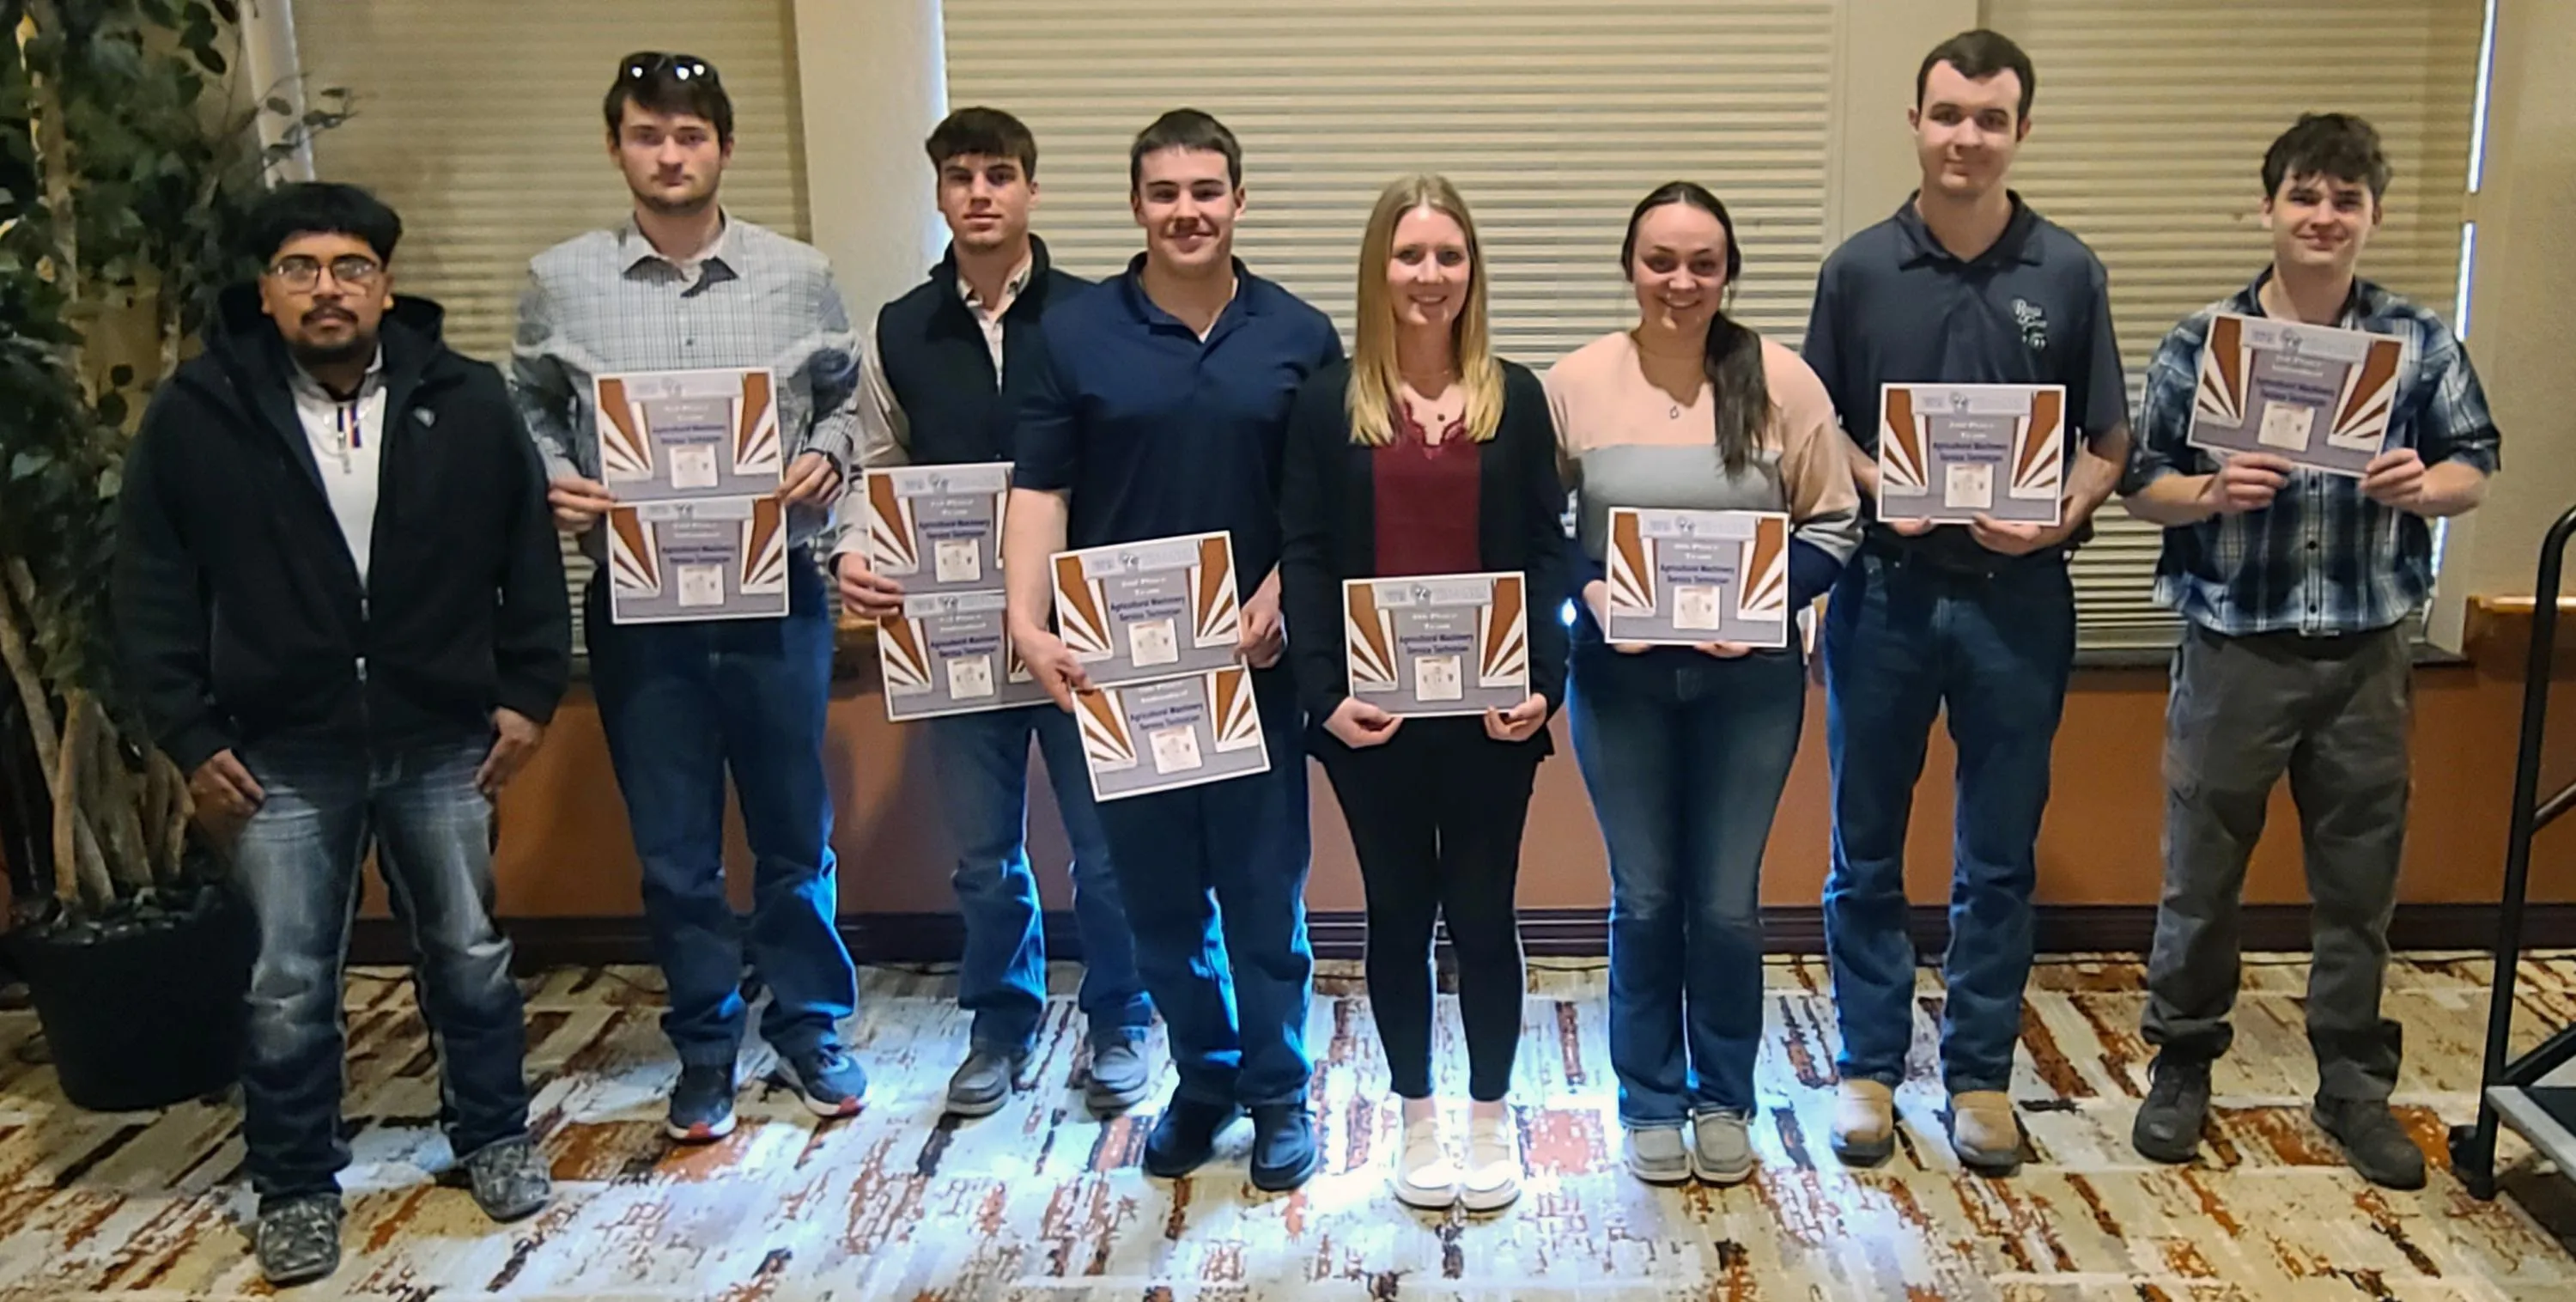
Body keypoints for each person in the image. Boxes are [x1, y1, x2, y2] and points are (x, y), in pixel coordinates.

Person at [113, 182, 568, 1287]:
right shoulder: (198, 412)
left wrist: (528, 692)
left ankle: (494, 1133)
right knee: (286, 980)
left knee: (466, 952)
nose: (329, 289)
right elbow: (153, 586)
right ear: (265, 292)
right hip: (280, 746)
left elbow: (528, 555)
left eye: (351, 267)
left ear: (386, 285)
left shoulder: (463, 401)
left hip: (442, 734)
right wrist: (183, 727)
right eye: (302, 269)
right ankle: (296, 1184)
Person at [2120, 113, 2498, 1190]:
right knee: (2202, 872)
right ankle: (2184, 1063)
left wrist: (2428, 486)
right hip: (2236, 642)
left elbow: (2476, 462)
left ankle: (2352, 1085)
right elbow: (2142, 482)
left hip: (2368, 647)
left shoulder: (2416, 340)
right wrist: (2208, 490)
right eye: (2306, 196)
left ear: (2372, 215)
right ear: (2270, 206)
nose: (2324, 216)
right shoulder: (2206, 341)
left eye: (2346, 199)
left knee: (2359, 877)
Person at [511, 52, 865, 1141]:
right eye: (648, 135)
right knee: (673, 850)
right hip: (637, 606)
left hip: (777, 601)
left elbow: (850, 408)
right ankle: (707, 1044)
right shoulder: (560, 281)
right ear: (617, 145)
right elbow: (524, 405)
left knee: (794, 837)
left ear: (723, 146)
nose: (671, 155)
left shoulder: (798, 274)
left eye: (691, 135)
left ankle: (811, 1026)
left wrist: (832, 460)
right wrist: (548, 480)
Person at [1803, 29, 2133, 1173]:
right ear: (1916, 120)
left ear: (2020, 132)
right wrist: (1871, 487)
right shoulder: (1855, 270)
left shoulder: (2070, 270)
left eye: (1990, 119)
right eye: (1948, 114)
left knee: (1997, 854)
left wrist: (2059, 515)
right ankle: (1868, 1067)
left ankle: (1982, 1074)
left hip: (2019, 601)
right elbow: (1821, 429)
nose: (1966, 138)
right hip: (1886, 599)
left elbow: (2110, 442)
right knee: (1865, 849)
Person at [1003, 109, 1342, 1191]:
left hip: (1257, 667)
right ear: (1136, 204)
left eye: (1207, 190)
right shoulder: (1072, 334)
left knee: (1262, 896)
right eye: (1165, 193)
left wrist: (1286, 593)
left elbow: (1321, 505)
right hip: (1125, 678)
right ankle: (1205, 1076)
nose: (1186, 211)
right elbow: (1040, 488)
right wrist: (1026, 623)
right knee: (1153, 904)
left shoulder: (1299, 334)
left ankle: (1280, 1090)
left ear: (1239, 200)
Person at [834, 106, 1154, 1118]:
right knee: (983, 854)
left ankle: (1119, 1018)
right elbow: (874, 461)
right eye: (961, 175)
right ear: (937, 193)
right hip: (956, 634)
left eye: (1001, 174)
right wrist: (853, 546)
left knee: (1105, 850)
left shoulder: (1099, 315)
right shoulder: (898, 327)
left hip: (1078, 627)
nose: (980, 192)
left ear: (1032, 191)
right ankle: (1001, 1023)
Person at [1548, 183, 1860, 1186]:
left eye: (1703, 263)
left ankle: (1724, 1093)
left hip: (1750, 684)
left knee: (1725, 901)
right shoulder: (1576, 383)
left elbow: (1836, 523)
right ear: (1628, 265)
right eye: (1660, 261)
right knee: (1643, 897)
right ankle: (1647, 1095)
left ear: (1728, 273)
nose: (1680, 283)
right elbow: (1529, 529)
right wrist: (1590, 593)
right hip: (1621, 678)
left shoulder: (1780, 381)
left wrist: (1763, 608)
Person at [1278, 174, 1566, 1211]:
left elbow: (1547, 550)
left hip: (1492, 714)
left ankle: (1491, 1120)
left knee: (1485, 915)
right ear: (1378, 269)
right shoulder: (1328, 401)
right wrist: (1321, 696)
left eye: (1450, 256)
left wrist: (1544, 681)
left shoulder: (1516, 398)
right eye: (1410, 256)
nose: (1430, 275)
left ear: (1472, 271)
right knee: (1398, 916)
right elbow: (1304, 557)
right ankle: (1416, 1119)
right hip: (1374, 717)